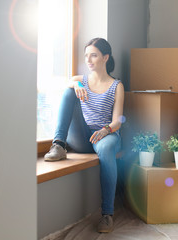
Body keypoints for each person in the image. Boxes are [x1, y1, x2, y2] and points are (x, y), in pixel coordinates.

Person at [44, 38, 124, 233]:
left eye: (94, 55)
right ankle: (58, 144)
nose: (89, 59)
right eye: (86, 55)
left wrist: (105, 130)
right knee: (68, 91)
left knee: (105, 149)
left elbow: (118, 121)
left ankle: (107, 215)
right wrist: (76, 84)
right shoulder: (82, 80)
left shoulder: (116, 86)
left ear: (105, 57)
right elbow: (69, 81)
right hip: (81, 136)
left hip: (105, 135)